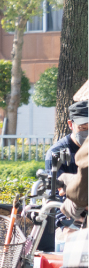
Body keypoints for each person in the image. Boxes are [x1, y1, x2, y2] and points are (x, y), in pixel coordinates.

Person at [39, 100, 87, 250]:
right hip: (68, 218)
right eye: (83, 128)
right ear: (70, 124)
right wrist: (65, 227)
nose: (87, 133)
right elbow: (55, 195)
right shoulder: (57, 153)